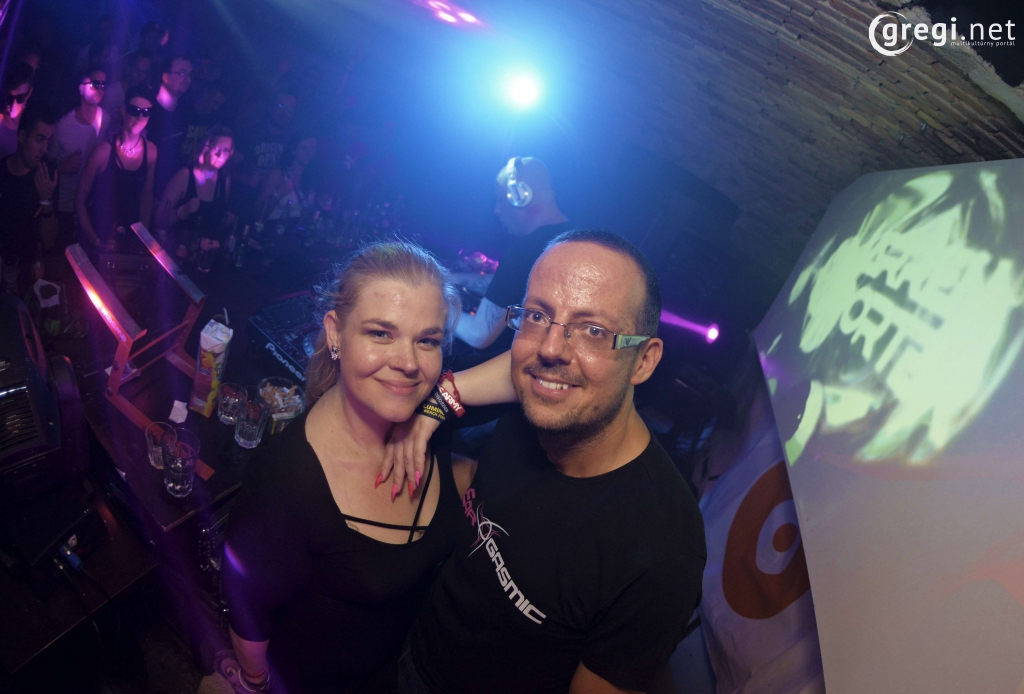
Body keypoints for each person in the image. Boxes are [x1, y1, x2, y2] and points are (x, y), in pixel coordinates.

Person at [387, 229, 707, 693]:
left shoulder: (663, 550)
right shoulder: (540, 400)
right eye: (538, 316)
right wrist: (427, 416)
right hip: (412, 649)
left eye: (594, 331)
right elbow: (512, 372)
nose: (551, 349)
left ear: (643, 360)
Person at [222, 241, 474, 693]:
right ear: (335, 333)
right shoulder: (287, 480)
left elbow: (528, 371)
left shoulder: (431, 419)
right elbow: (247, 609)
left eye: (428, 340)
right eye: (381, 333)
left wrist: (432, 414)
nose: (409, 363)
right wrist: (255, 683)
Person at [454, 156, 570, 356]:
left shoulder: (524, 251)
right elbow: (511, 287)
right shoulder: (571, 238)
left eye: (500, 200)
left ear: (520, 197)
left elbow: (478, 335)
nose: (497, 210)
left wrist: (435, 307)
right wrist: (453, 278)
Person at [76, 85, 157, 250]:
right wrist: (96, 242)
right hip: (101, 237)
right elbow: (79, 202)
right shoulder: (102, 152)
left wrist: (143, 240)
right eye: (135, 110)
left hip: (130, 241)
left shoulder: (151, 152)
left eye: (146, 112)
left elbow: (147, 197)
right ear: (123, 111)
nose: (140, 117)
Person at [0, 107, 58, 294]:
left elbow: (49, 242)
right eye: (40, 139)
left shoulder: (46, 176)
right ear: (22, 136)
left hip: (31, 276)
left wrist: (46, 200)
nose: (44, 149)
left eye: (48, 141)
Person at [49, 69, 110, 247]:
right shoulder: (63, 126)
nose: (100, 88)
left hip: (92, 205)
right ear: (81, 88)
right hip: (66, 206)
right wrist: (62, 167)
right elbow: (45, 163)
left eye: (103, 84)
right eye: (95, 84)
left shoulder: (105, 118)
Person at [157, 125, 235, 254]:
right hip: (177, 252)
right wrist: (183, 211)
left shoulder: (224, 181)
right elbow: (159, 221)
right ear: (206, 146)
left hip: (205, 257)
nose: (220, 155)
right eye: (217, 148)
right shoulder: (184, 176)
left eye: (226, 150)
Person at [147, 55, 192, 194]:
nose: (187, 79)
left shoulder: (185, 110)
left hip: (168, 184)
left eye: (189, 75)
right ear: (165, 77)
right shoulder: (146, 106)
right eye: (182, 73)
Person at [256, 133, 316, 221]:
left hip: (295, 228)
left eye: (313, 149)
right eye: (304, 148)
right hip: (272, 227)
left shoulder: (311, 178)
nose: (309, 153)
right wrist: (279, 194)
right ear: (293, 150)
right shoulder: (278, 174)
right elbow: (259, 211)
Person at [1, 64, 35, 159]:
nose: (13, 104)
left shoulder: (32, 123)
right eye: (10, 97)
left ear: (29, 93)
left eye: (20, 98)